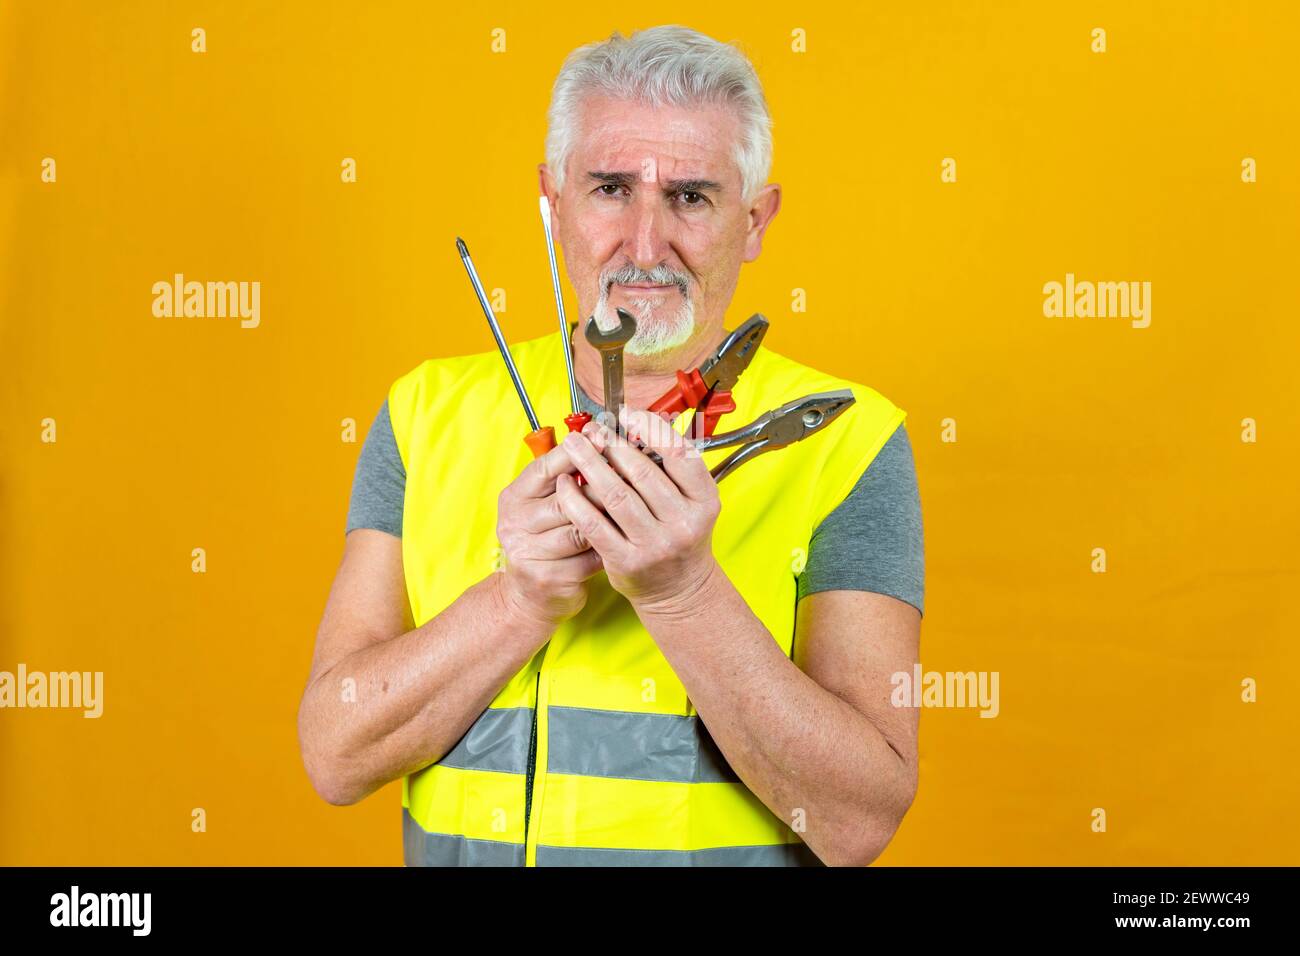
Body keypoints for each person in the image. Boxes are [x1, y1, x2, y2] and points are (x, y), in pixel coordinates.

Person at [298, 24, 924, 867]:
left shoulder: (850, 441)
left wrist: (684, 596)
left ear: (755, 220)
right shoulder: (425, 413)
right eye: (611, 189)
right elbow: (335, 756)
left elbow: (857, 823)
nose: (643, 243)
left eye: (692, 197)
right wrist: (516, 602)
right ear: (552, 200)